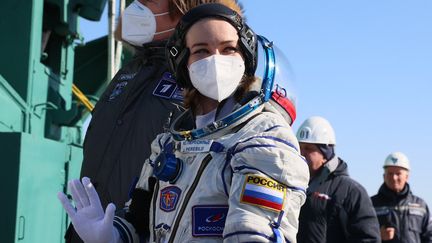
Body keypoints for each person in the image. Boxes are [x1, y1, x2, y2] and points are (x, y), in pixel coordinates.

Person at [58, 3, 310, 242]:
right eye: (201, 50)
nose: (215, 59)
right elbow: (139, 221)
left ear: (245, 58)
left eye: (228, 49)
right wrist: (112, 236)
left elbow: (254, 231)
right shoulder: (167, 143)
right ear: (183, 64)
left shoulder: (264, 139)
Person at [68, 0, 243, 242]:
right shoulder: (132, 70)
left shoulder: (208, 77)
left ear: (182, 7)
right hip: (96, 232)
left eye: (147, 0)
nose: (136, 6)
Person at [295, 116, 381, 243]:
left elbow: (368, 239)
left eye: (308, 149)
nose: (302, 154)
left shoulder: (351, 192)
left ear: (325, 153)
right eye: (300, 147)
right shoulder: (294, 185)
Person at [371, 152, 432, 242]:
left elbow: (429, 236)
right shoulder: (371, 205)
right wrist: (379, 236)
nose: (394, 178)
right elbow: (362, 236)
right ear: (384, 176)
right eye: (390, 173)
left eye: (398, 173)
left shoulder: (420, 206)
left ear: (407, 177)